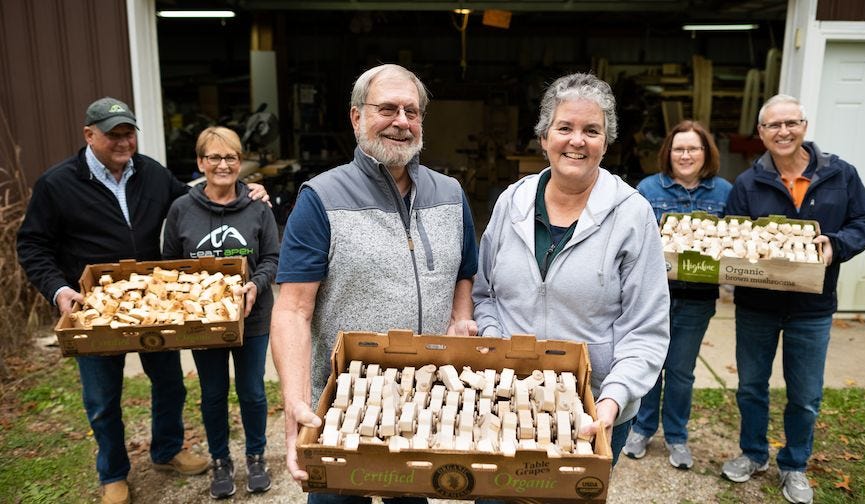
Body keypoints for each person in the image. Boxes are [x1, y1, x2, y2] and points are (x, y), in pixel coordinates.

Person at [16, 97, 268, 504]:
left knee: (169, 384)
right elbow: (32, 245)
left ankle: (167, 451)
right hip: (96, 305)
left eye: (128, 133)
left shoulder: (150, 173)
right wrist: (59, 290)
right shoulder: (57, 183)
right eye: (113, 134)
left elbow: (197, 200)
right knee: (102, 399)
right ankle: (113, 473)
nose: (123, 142)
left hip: (155, 304)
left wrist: (245, 190)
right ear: (89, 135)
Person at [270, 63, 478, 504]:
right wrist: (295, 399)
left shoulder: (451, 194)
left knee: (412, 497)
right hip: (345, 399)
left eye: (412, 111)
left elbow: (464, 270)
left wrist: (461, 317)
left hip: (423, 396)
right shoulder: (320, 199)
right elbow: (292, 309)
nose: (401, 122)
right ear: (356, 117)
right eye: (387, 108)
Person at [472, 73, 671, 466]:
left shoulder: (632, 215)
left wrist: (613, 398)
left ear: (605, 142)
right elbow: (485, 294)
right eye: (564, 128)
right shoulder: (512, 202)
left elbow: (645, 326)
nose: (577, 140)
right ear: (544, 137)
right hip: (509, 399)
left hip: (591, 408)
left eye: (591, 130)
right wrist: (497, 347)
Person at [720, 94, 865, 504]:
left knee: (805, 395)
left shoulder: (840, 174)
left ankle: (794, 465)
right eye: (773, 126)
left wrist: (837, 245)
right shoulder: (748, 183)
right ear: (761, 133)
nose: (783, 132)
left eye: (791, 123)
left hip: (812, 305)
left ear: (804, 126)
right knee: (752, 387)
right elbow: (730, 233)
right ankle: (753, 453)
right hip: (757, 304)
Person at [162, 127, 280, 499]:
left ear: (240, 162)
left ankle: (256, 456)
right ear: (201, 163)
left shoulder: (259, 206)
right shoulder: (182, 209)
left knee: (252, 392)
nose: (224, 164)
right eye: (214, 157)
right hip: (205, 323)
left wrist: (255, 286)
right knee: (212, 393)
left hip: (253, 318)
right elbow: (170, 265)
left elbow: (273, 258)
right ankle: (219, 460)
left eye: (231, 157)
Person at [624, 120, 732, 469]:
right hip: (653, 297)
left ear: (706, 153)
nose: (685, 155)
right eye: (679, 148)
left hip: (697, 299)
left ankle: (676, 435)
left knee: (682, 371)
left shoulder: (724, 193)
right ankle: (642, 429)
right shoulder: (648, 188)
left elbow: (737, 242)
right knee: (649, 366)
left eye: (693, 148)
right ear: (668, 153)